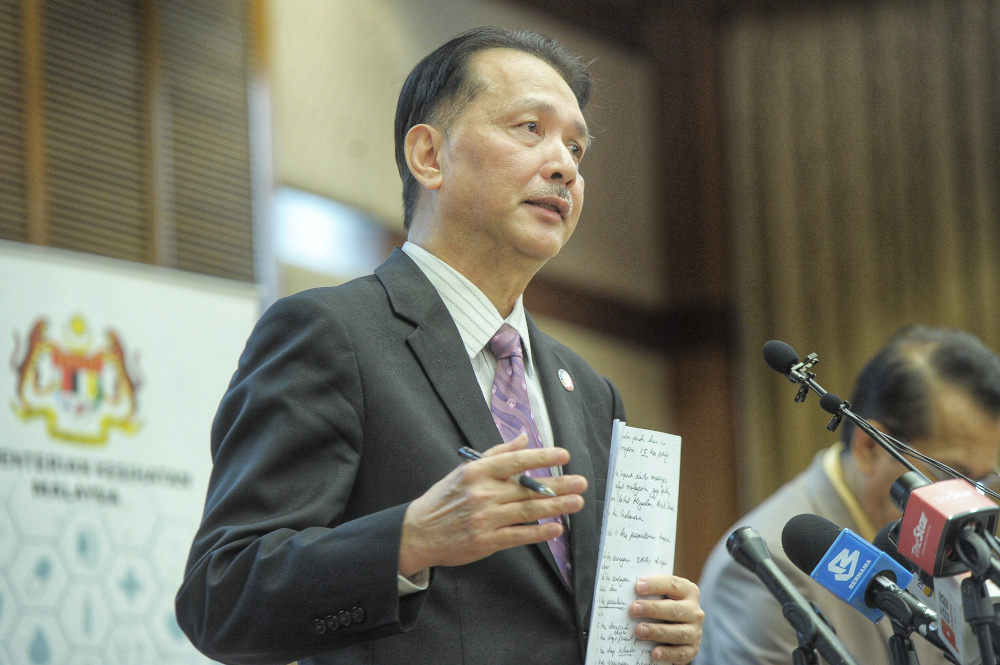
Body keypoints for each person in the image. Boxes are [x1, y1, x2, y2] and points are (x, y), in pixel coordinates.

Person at [175, 26, 703, 665]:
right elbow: (220, 597)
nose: (564, 164)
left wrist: (654, 630)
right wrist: (408, 540)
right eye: (529, 129)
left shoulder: (590, 391)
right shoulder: (331, 334)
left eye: (577, 148)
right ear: (429, 156)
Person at [695, 326, 1000, 665]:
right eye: (948, 474)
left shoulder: (949, 545)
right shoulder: (765, 568)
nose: (967, 499)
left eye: (982, 479)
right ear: (869, 447)